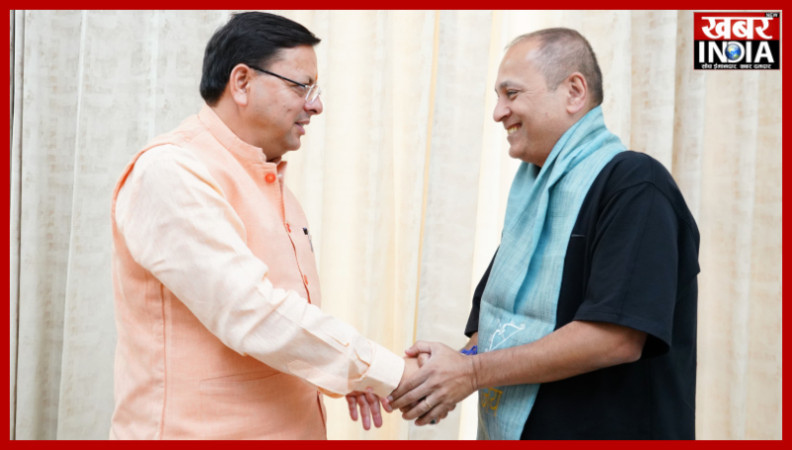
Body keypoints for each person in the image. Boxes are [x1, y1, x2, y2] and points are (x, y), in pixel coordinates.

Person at [110, 12, 415, 439]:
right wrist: (380, 371)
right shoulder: (170, 171)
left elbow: (285, 324)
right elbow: (252, 313)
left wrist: (348, 373)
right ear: (241, 82)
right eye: (301, 86)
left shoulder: (270, 179)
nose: (316, 105)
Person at [388, 28, 700, 440]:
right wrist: (438, 373)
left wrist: (471, 371)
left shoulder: (636, 186)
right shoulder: (534, 197)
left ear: (574, 92)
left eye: (511, 94)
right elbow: (495, 331)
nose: (498, 112)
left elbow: (615, 338)